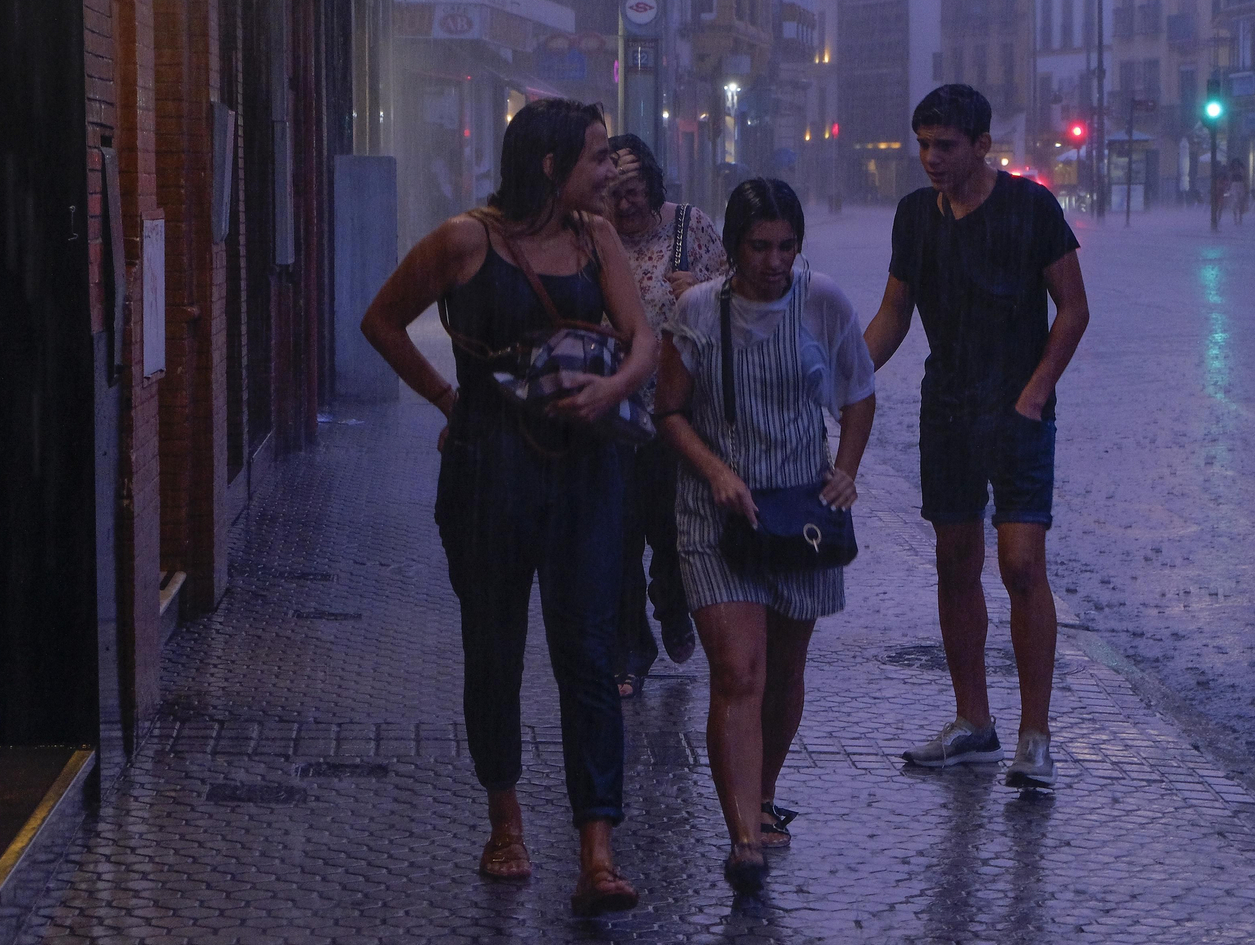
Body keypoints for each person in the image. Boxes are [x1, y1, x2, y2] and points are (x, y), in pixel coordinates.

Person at [360, 99, 655, 916]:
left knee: (588, 655)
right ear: (552, 168)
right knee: (493, 649)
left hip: (588, 471)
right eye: (598, 158)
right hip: (491, 473)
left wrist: (614, 389)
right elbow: (381, 321)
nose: (612, 171)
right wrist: (451, 402)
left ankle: (598, 849)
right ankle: (505, 820)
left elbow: (644, 341)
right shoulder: (467, 240)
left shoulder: (599, 240)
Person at [863, 84, 1089, 788]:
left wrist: (1037, 390)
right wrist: (841, 375)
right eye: (923, 144)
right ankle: (974, 722)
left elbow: (1074, 309)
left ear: (982, 146)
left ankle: (1037, 734)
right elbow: (894, 313)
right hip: (949, 408)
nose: (931, 158)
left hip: (1018, 410)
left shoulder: (1031, 208)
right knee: (955, 562)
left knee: (1022, 564)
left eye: (946, 146)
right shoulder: (914, 218)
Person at [656, 178, 876, 892]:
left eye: (786, 246)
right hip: (716, 515)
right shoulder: (696, 310)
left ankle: (761, 791)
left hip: (798, 517)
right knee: (738, 671)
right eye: (759, 246)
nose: (774, 261)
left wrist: (844, 470)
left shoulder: (823, 301)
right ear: (735, 245)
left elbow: (859, 391)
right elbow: (669, 412)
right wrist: (716, 472)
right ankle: (743, 837)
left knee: (782, 673)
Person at [600, 133, 727, 700]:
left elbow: (741, 293)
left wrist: (702, 288)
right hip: (614, 416)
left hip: (676, 414)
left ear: (652, 184)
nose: (625, 205)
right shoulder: (593, 239)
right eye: (613, 195)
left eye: (633, 192)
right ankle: (631, 649)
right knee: (619, 538)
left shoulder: (688, 228)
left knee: (674, 535)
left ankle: (673, 606)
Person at [1228, 158, 1249, 224]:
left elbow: (1244, 177)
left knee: (1241, 202)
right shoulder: (1232, 170)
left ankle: (1240, 218)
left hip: (1241, 184)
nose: (1236, 165)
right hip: (1234, 185)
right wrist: (1229, 186)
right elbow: (1230, 178)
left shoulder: (1242, 170)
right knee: (1235, 201)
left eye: (1237, 163)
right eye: (1235, 163)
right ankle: (1235, 218)